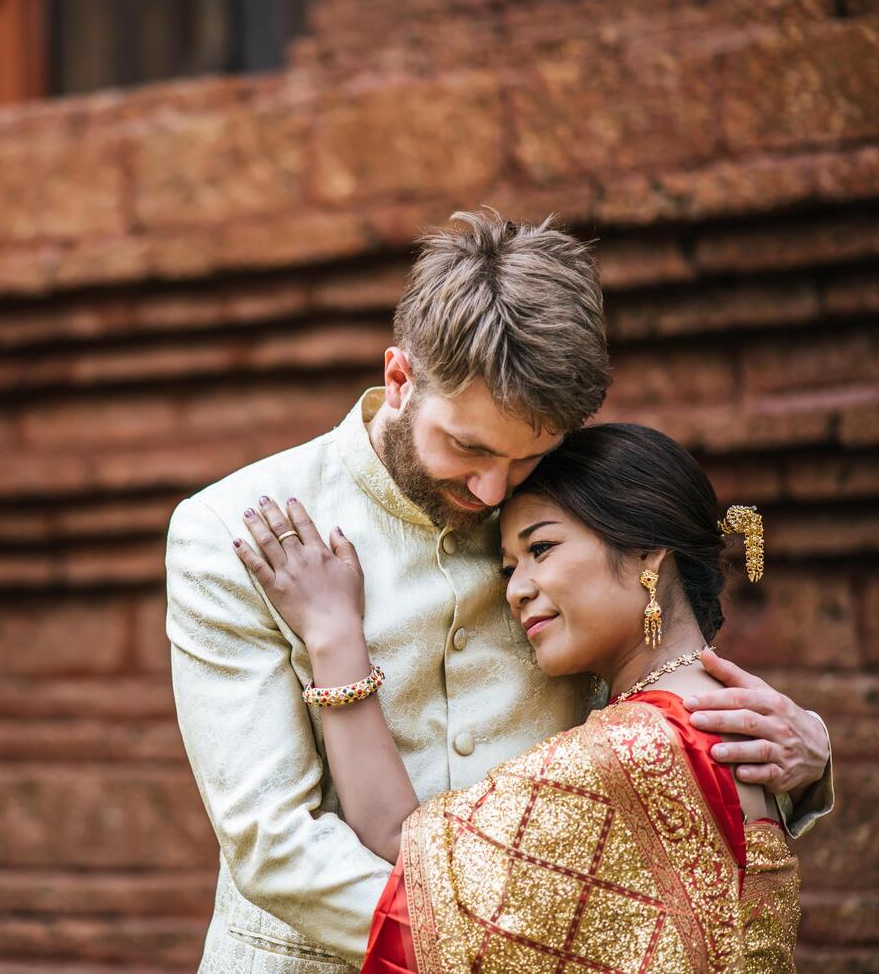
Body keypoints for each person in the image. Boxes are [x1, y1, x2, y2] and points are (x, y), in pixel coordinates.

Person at [164, 209, 833, 971]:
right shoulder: (229, 528)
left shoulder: (557, 511)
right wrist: (502, 949)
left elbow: (654, 676)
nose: (489, 490)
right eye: (466, 447)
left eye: (523, 459)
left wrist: (803, 758)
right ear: (398, 379)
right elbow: (272, 842)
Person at [234, 423, 801, 971]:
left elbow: (409, 861)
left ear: (649, 549)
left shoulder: (636, 749)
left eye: (543, 548)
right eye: (508, 567)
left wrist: (334, 638)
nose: (516, 589)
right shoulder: (744, 726)